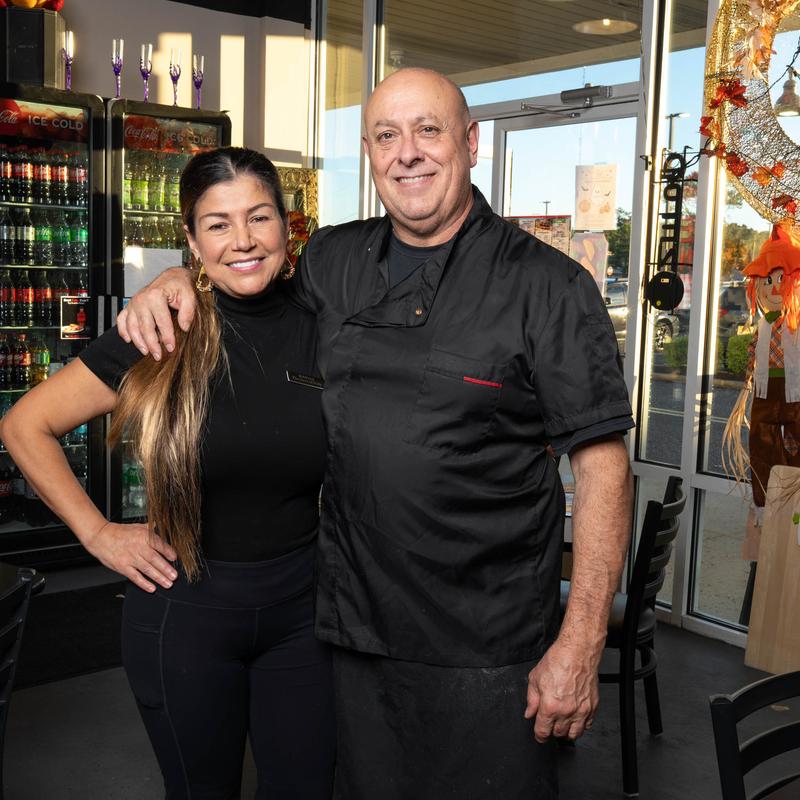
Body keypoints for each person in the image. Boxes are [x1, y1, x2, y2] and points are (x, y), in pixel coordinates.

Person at [118, 68, 635, 799]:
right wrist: (174, 280)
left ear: (471, 144)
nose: (408, 152)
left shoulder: (548, 285)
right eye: (387, 136)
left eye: (429, 131)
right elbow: (245, 286)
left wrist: (580, 644)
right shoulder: (332, 260)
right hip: (350, 632)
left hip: (485, 643)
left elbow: (604, 465)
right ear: (369, 153)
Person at [0, 147, 335, 799]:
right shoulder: (163, 328)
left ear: (286, 223)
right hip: (186, 617)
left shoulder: (321, 324)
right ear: (191, 238)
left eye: (259, 217)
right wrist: (97, 533)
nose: (243, 240)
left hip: (304, 615)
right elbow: (23, 425)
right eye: (218, 224)